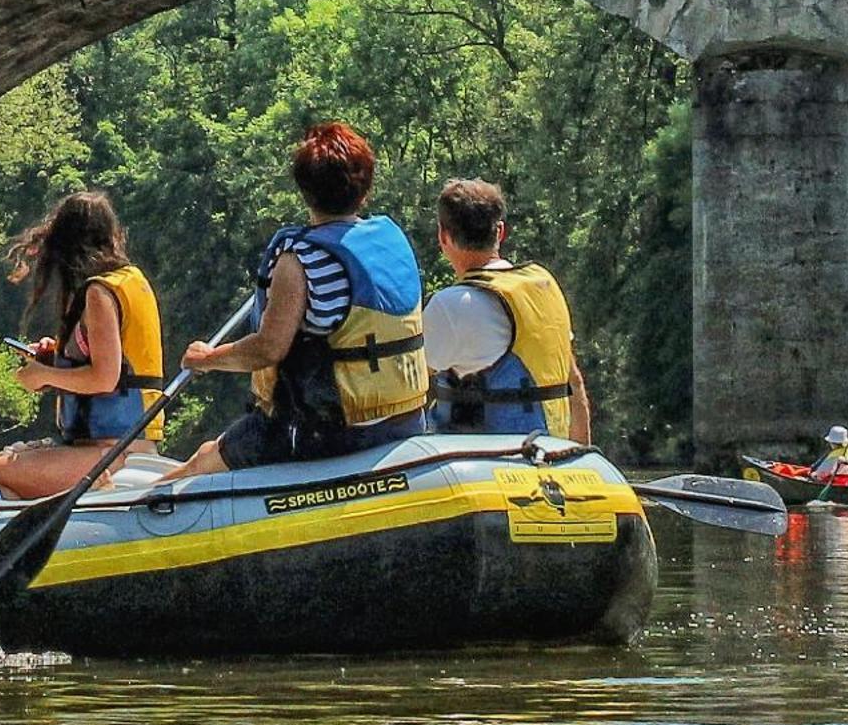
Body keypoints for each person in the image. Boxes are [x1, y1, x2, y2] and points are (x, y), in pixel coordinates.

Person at [165, 123, 428, 480]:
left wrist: (208, 359)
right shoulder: (390, 239)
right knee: (208, 450)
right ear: (365, 190)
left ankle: (121, 514)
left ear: (305, 191)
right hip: (403, 421)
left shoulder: (299, 260)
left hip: (325, 433)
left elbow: (267, 350)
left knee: (199, 465)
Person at [0, 191, 165, 500]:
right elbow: (107, 357)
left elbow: (105, 377)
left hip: (112, 454)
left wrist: (44, 375)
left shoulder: (99, 294)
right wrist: (56, 357)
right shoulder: (130, 279)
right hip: (122, 448)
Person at [423, 177, 591, 443]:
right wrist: (579, 456)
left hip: (490, 464)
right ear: (499, 231)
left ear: (443, 236)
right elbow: (575, 382)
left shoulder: (450, 305)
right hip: (551, 454)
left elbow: (406, 387)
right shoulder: (544, 285)